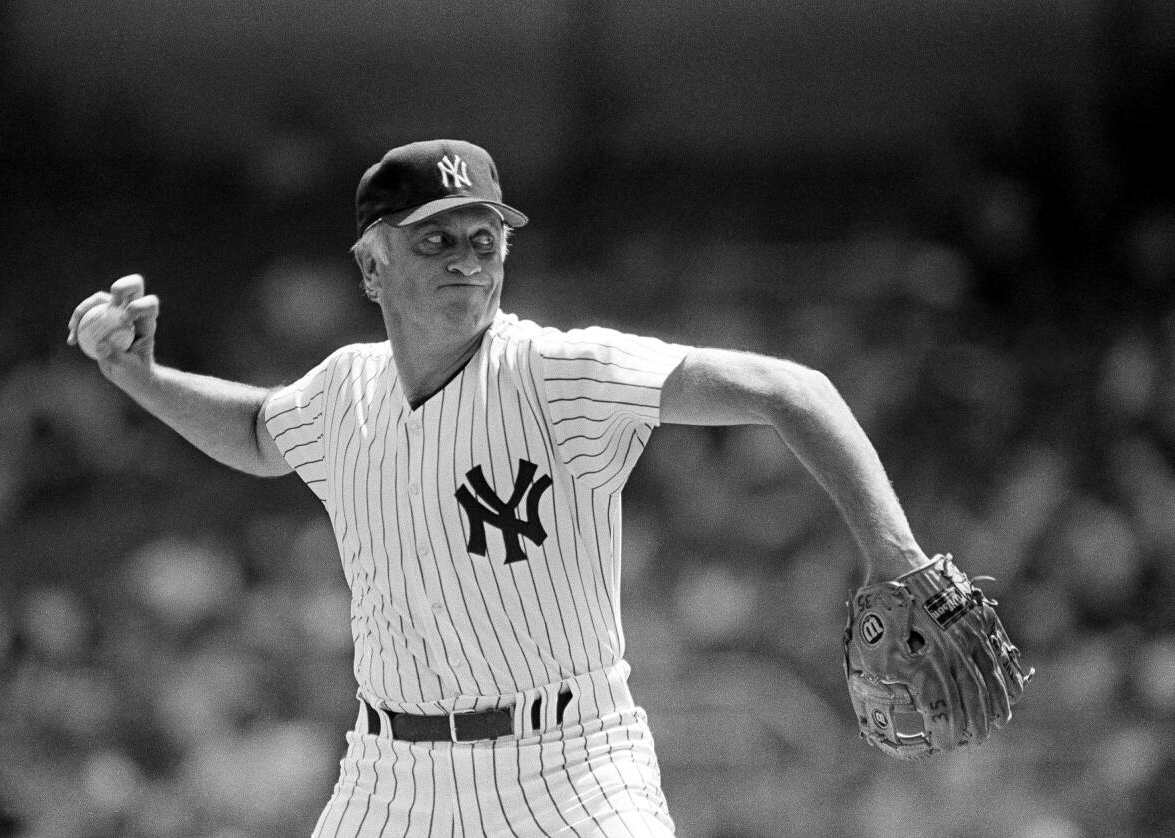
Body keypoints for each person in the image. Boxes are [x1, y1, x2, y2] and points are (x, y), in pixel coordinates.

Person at [67, 139, 942, 837]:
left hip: (572, 769)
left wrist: (893, 553)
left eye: (484, 241)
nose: (467, 260)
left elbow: (793, 391)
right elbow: (261, 432)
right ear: (372, 269)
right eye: (435, 240)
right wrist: (142, 377)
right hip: (391, 776)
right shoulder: (342, 392)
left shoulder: (557, 374)